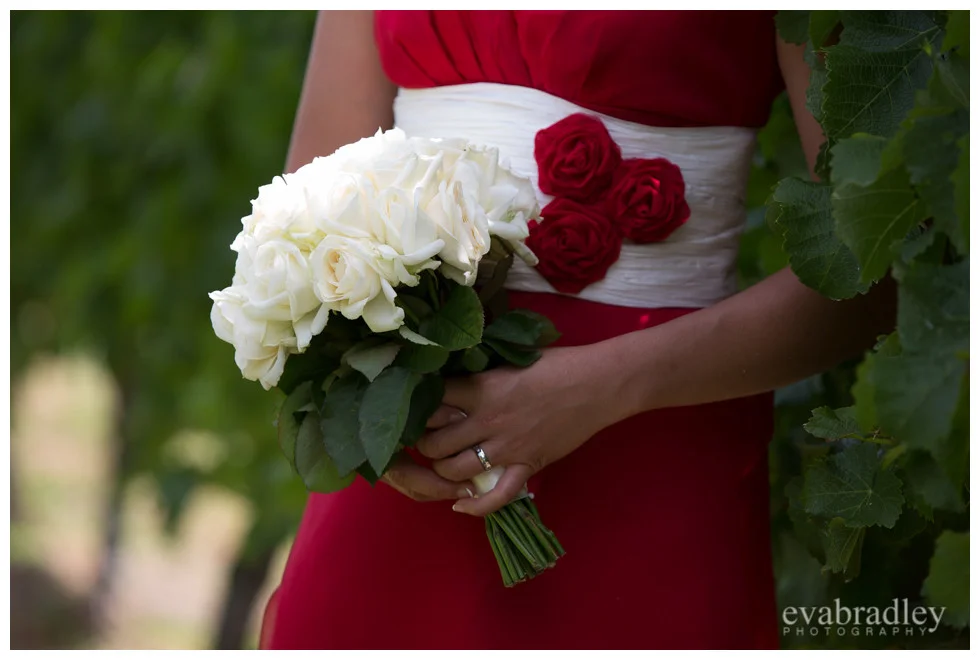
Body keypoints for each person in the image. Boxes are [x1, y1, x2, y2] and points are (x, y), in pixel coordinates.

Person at [260, 10, 894, 649]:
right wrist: (377, 422)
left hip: (654, 449)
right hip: (418, 447)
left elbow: (872, 270)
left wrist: (602, 387)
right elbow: (304, 223)